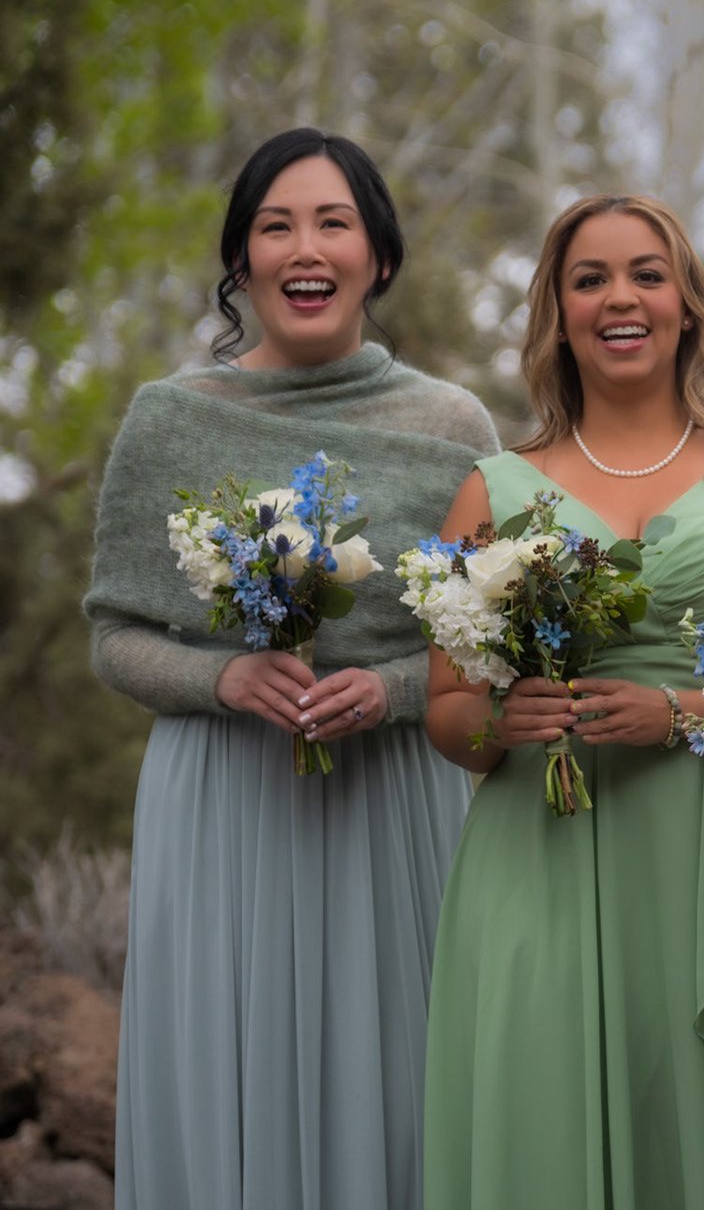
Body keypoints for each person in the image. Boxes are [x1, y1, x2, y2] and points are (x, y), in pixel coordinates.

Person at [90, 128, 500, 1209]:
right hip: (222, 800)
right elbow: (115, 636)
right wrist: (221, 679)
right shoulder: (170, 419)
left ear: (379, 256)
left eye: (333, 223)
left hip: (396, 797)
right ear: (241, 261)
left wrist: (397, 689)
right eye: (276, 226)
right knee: (228, 1085)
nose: (304, 247)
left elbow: (487, 640)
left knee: (402, 1086)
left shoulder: (454, 424)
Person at [420, 193, 704, 1210]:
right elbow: (446, 712)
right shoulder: (491, 489)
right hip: (541, 851)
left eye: (647, 274)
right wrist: (501, 721)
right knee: (543, 1110)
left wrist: (685, 713)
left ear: (687, 303)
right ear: (558, 315)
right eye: (589, 279)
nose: (621, 298)